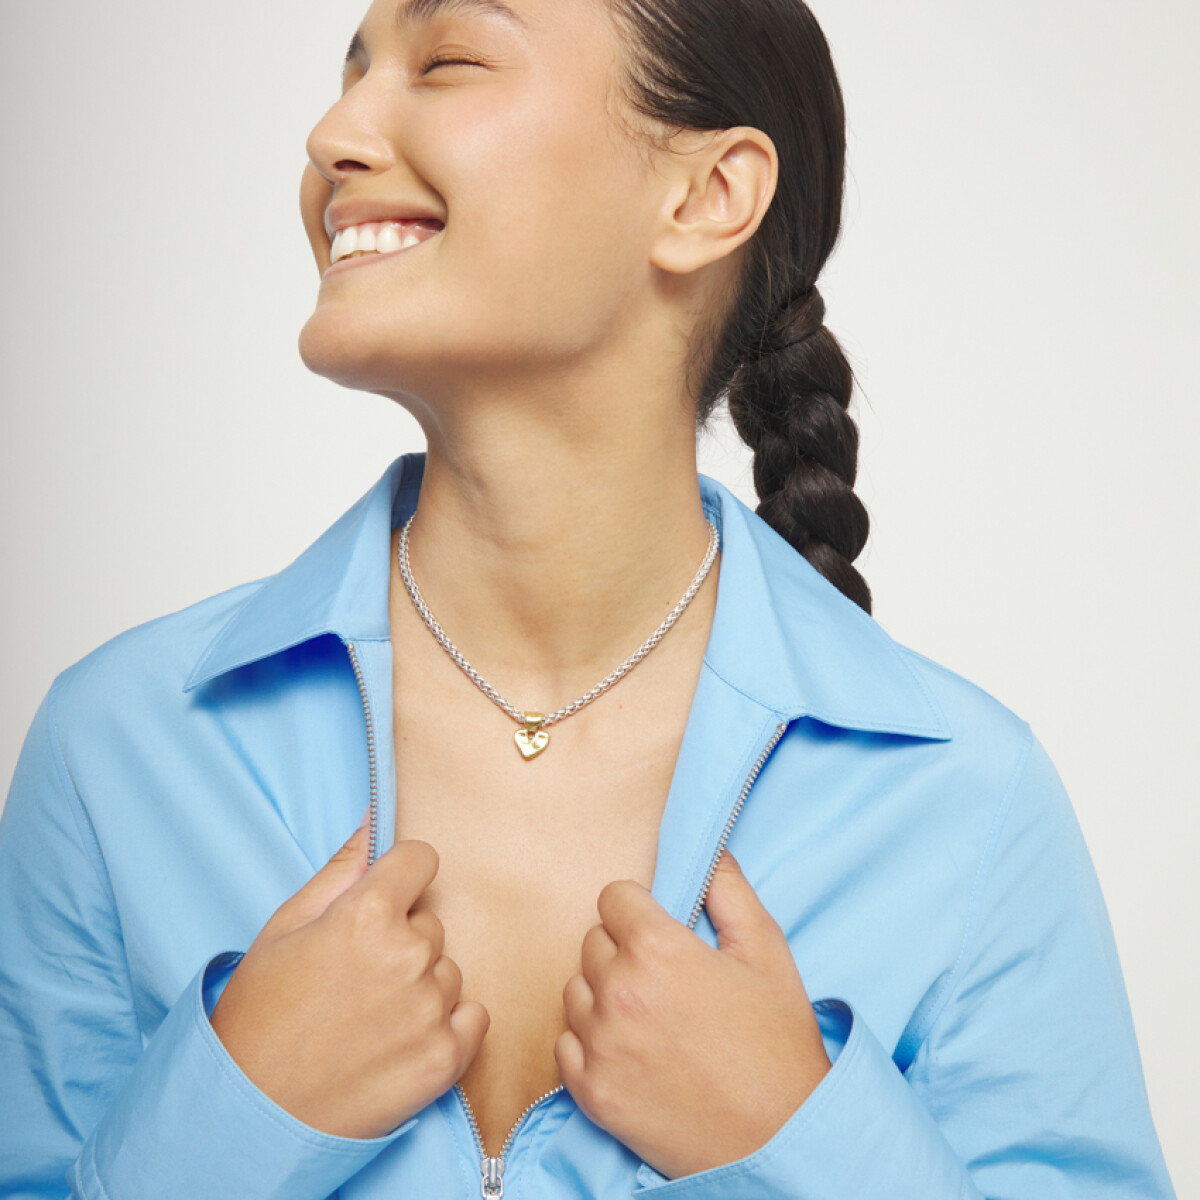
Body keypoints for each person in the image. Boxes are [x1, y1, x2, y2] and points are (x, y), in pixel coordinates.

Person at [0, 0, 1178, 1196]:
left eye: (446, 60)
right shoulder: (117, 746)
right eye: (349, 71)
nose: (335, 129)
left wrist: (798, 1142)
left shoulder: (967, 801)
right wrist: (226, 1120)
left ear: (706, 194)